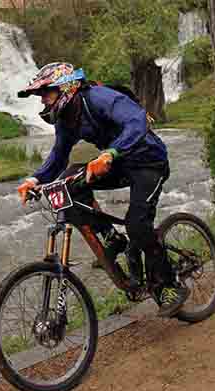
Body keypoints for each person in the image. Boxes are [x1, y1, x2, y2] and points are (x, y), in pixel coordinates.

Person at [15, 62, 188, 317]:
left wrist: (110, 153)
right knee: (70, 178)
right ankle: (111, 238)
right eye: (40, 96)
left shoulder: (98, 98)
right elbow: (59, 155)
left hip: (148, 163)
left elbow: (137, 121)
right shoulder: (66, 119)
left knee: (137, 225)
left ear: (65, 88)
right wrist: (34, 180)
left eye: (45, 93)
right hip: (117, 164)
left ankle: (169, 286)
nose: (42, 101)